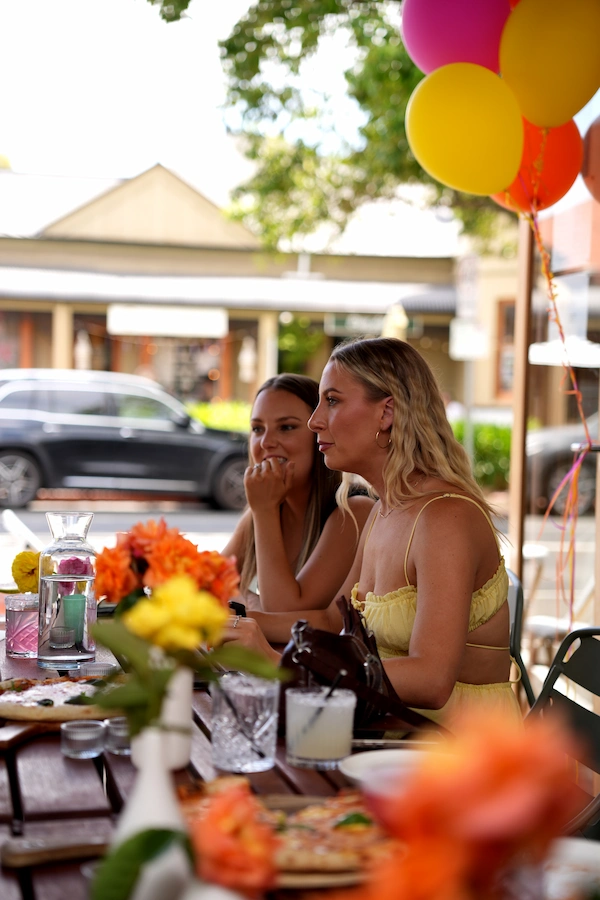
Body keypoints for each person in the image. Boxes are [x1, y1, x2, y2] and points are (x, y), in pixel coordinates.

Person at [223, 338, 522, 729]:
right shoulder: (384, 509)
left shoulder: (446, 518)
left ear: (387, 413)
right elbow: (332, 621)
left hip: (463, 751)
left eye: (331, 401)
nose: (316, 420)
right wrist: (240, 622)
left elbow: (432, 680)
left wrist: (281, 664)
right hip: (391, 730)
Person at [222, 373, 374, 613]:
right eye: (257, 429)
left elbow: (285, 613)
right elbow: (206, 585)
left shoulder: (353, 510)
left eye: (286, 427)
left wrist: (246, 601)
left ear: (320, 432)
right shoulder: (261, 512)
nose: (265, 443)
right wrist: (250, 602)